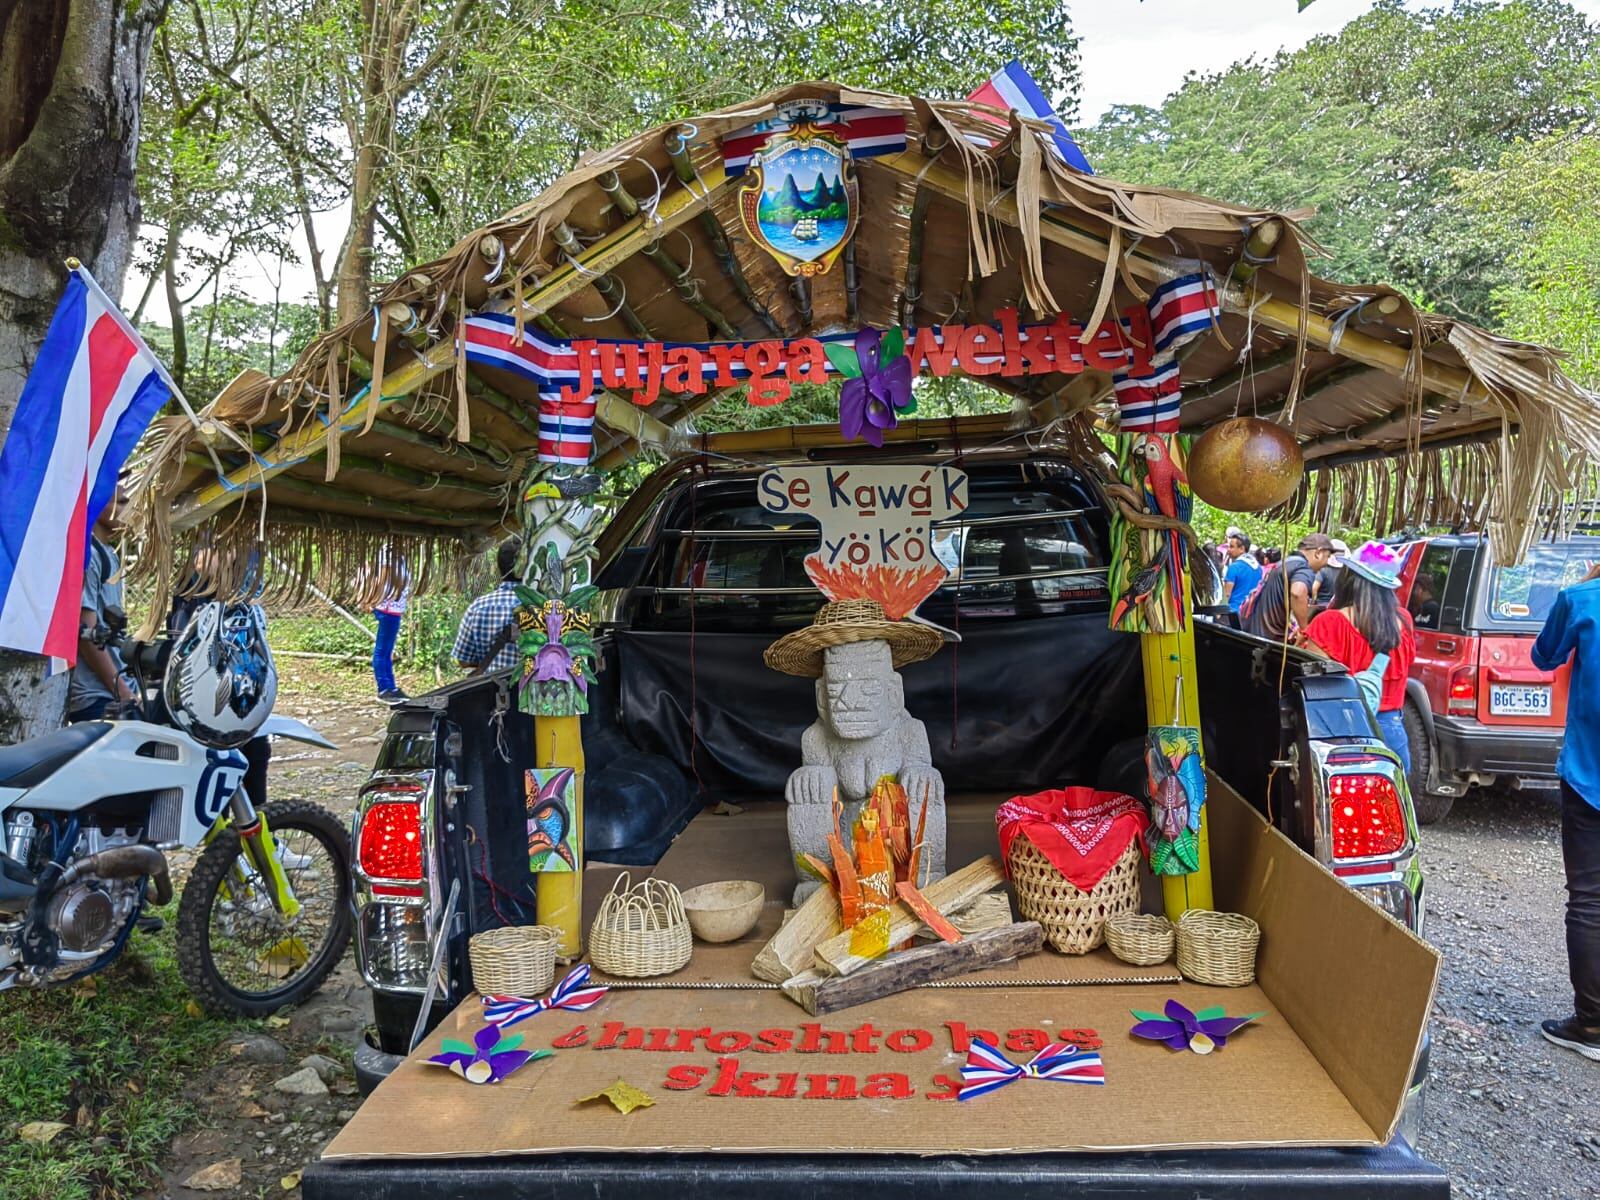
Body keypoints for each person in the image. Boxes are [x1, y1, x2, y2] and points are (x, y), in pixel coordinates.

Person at [1529, 560, 1600, 1061]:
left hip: (1590, 777)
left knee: (1590, 898)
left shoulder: (1582, 600)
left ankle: (1593, 1024)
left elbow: (1543, 656)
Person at [1301, 541, 1416, 770]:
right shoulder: (1403, 620)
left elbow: (1312, 685)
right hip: (1392, 736)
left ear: (1349, 578)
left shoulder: (1330, 623)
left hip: (1341, 735)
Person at [69, 488, 136, 722]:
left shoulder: (108, 553)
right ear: (98, 505)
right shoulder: (89, 555)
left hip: (111, 692)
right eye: (123, 502)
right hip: (96, 696)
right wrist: (123, 693)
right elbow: (86, 635)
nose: (130, 510)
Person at [1241, 532, 1334, 642]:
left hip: (1256, 632)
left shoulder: (1286, 562)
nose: (1327, 563)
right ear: (1318, 552)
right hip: (1269, 641)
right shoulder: (1303, 567)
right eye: (1327, 556)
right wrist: (1304, 629)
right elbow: (1297, 593)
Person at [453, 536, 525, 674]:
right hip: (531, 693)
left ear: (499, 568)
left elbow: (463, 661)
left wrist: (490, 661)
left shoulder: (478, 607)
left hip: (491, 692)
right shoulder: (542, 607)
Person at [368, 554, 411, 703]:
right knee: (382, 651)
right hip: (387, 608)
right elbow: (382, 580)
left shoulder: (399, 553)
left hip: (394, 609)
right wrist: (372, 600)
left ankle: (391, 688)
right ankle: (384, 689)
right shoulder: (388, 552)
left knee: (387, 651)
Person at [1222, 533, 1263, 614]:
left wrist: (1218, 614)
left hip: (1232, 613)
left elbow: (1226, 595)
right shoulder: (1258, 568)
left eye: (1231, 547)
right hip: (1250, 614)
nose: (1228, 550)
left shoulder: (1234, 567)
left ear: (1241, 549)